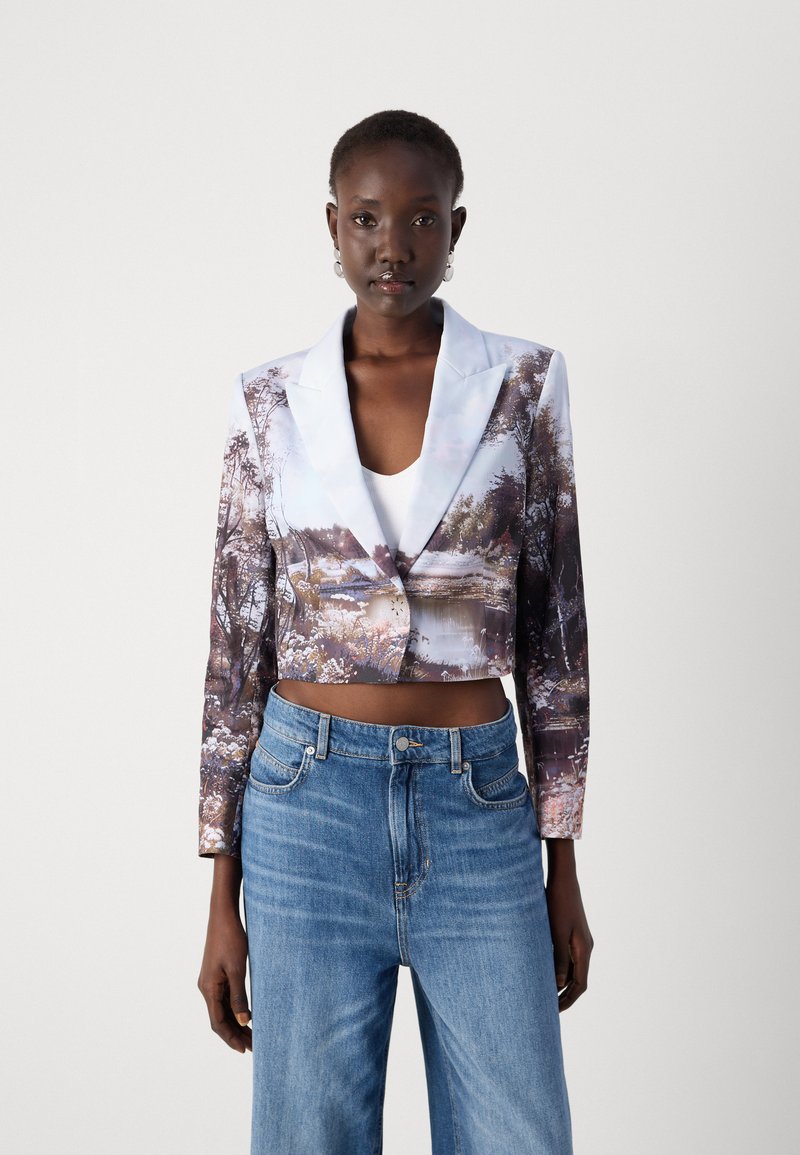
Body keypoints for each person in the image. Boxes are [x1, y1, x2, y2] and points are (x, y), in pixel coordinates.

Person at [197, 109, 593, 1155]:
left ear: (455, 228)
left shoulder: (521, 385)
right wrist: (220, 890)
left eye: (421, 218)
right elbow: (235, 650)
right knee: (308, 1136)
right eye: (367, 218)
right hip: (305, 808)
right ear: (332, 226)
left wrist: (561, 864)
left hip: (478, 807)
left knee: (519, 1134)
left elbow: (555, 640)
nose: (393, 245)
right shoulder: (269, 402)